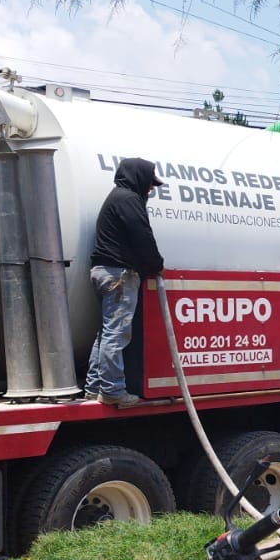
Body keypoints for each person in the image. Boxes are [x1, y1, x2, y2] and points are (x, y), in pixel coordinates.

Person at [85, 157, 165, 407]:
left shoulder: (117, 197)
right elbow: (142, 236)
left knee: (107, 332)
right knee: (117, 334)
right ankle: (112, 390)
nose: (151, 189)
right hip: (119, 274)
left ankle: (95, 386)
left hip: (104, 272)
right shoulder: (129, 200)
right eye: (149, 183)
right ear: (138, 178)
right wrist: (156, 264)